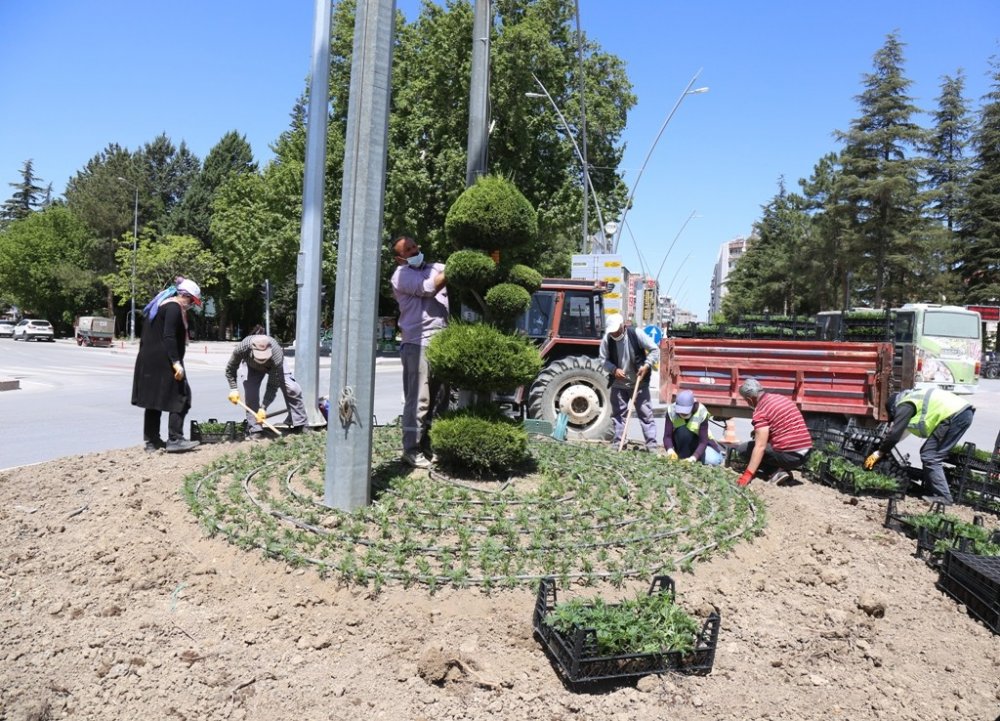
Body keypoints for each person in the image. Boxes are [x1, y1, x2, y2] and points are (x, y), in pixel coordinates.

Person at [390, 235, 449, 469]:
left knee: (440, 399)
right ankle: (411, 450)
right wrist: (454, 268)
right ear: (399, 258)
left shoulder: (436, 267)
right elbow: (429, 288)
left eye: (415, 246)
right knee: (419, 400)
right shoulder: (401, 276)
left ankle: (430, 446)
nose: (414, 251)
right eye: (408, 250)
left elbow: (452, 271)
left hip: (441, 342)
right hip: (417, 343)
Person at [864, 388, 975, 505]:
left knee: (930, 456)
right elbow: (900, 433)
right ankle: (933, 491)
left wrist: (879, 453)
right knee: (928, 453)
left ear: (893, 408)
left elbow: (895, 434)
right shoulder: (912, 400)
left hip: (955, 416)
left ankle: (944, 497)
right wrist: (887, 447)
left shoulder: (905, 405)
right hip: (962, 413)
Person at [131, 277, 203, 453]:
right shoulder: (173, 308)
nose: (191, 305)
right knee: (182, 396)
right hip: (164, 361)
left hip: (149, 360)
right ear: (185, 296)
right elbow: (169, 336)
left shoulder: (161, 305)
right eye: (192, 301)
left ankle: (152, 442)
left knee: (153, 400)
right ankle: (175, 439)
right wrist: (176, 362)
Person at [225, 332, 308, 440]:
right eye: (260, 357)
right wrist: (233, 389)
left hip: (273, 366)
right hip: (251, 367)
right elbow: (230, 369)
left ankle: (300, 423)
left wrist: (264, 408)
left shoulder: (276, 353)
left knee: (292, 388)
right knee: (251, 394)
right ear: (251, 349)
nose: (262, 360)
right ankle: (255, 429)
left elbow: (273, 385)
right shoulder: (243, 348)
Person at [599, 313, 660, 451]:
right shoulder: (607, 340)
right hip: (618, 384)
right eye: (612, 332)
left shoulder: (636, 334)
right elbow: (603, 361)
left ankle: (651, 445)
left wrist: (646, 365)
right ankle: (619, 442)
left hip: (638, 382)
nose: (614, 334)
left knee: (645, 414)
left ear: (623, 326)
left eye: (616, 331)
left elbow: (654, 350)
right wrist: (614, 370)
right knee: (618, 414)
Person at [735, 377, 812, 486]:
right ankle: (781, 469)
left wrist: (747, 475)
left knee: (744, 450)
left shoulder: (761, 411)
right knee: (765, 445)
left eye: (746, 400)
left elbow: (760, 447)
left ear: (750, 399)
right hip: (806, 452)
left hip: (790, 455)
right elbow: (782, 425)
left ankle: (775, 472)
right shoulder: (780, 398)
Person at [663, 389, 723, 465]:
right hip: (682, 444)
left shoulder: (701, 411)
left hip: (702, 444)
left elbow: (703, 442)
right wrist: (670, 450)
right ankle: (684, 456)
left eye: (685, 412)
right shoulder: (671, 410)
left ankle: (714, 456)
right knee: (682, 430)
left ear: (692, 406)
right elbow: (667, 436)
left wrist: (693, 458)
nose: (683, 414)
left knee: (714, 460)